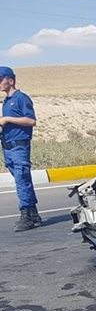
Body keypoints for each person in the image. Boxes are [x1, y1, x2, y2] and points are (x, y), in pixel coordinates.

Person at [1, 66, 41, 232]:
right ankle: (33, 214)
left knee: (22, 180)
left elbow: (31, 121)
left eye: (1, 79)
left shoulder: (20, 98)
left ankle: (26, 215)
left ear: (10, 80)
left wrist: (7, 119)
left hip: (19, 146)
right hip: (8, 146)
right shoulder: (6, 102)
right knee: (23, 180)